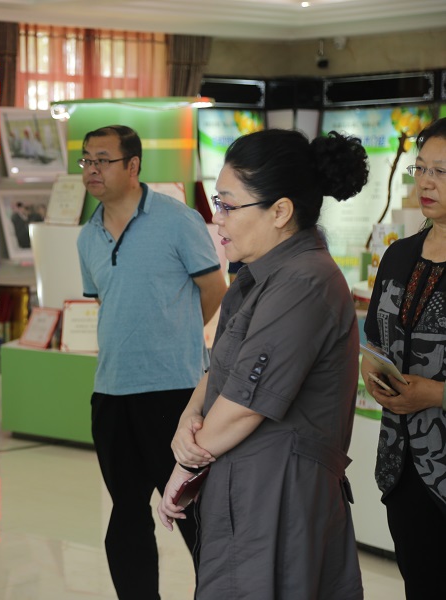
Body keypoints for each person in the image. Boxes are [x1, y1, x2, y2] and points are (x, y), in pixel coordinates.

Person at [158, 128, 369, 599]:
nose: (217, 219)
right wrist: (188, 418)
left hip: (279, 497)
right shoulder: (258, 277)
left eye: (229, 206)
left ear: (280, 211)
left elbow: (245, 405)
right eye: (217, 202)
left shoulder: (305, 282)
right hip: (247, 487)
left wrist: (185, 465)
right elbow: (223, 369)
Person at [76, 124, 228, 599]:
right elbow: (110, 303)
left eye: (102, 160)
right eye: (86, 160)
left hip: (174, 394)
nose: (92, 169)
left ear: (133, 165)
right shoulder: (87, 236)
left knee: (193, 515)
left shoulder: (178, 220)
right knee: (126, 515)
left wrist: (176, 334)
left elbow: (214, 289)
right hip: (111, 394)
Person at [361, 117, 446, 599]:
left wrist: (435, 393)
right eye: (421, 168)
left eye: (441, 171)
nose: (426, 182)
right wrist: (372, 371)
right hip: (402, 464)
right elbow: (376, 340)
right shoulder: (398, 257)